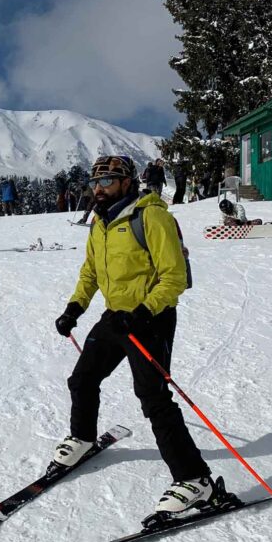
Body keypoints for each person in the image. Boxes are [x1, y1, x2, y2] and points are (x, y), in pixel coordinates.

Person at [52, 155, 213, 516]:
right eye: (95, 183)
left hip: (150, 319)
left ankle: (195, 479)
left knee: (153, 397)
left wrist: (143, 312)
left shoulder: (151, 216)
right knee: (82, 378)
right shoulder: (100, 222)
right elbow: (91, 272)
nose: (98, 189)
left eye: (107, 181)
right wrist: (74, 308)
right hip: (116, 317)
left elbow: (174, 277)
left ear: (126, 182)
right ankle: (82, 437)